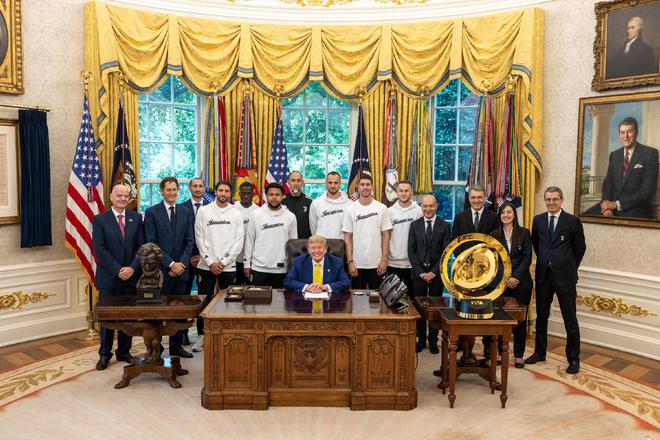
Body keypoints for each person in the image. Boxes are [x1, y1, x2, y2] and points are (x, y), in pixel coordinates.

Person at [525, 186, 586, 375]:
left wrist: (567, 266)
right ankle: (539, 352)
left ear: (561, 200)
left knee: (570, 318)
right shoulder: (538, 220)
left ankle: (573, 359)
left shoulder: (573, 221)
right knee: (542, 317)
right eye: (548, 199)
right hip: (544, 275)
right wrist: (547, 260)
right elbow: (537, 245)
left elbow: (580, 249)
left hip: (565, 277)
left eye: (555, 199)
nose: (551, 203)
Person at [92, 184, 145, 370]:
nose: (122, 198)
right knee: (108, 318)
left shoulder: (136, 218)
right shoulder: (100, 220)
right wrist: (118, 270)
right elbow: (99, 249)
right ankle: (104, 354)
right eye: (119, 195)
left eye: (125, 195)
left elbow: (142, 246)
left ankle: (124, 351)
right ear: (111, 197)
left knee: (127, 317)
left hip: (131, 277)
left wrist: (131, 268)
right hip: (109, 277)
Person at [144, 176, 195, 359]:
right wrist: (171, 264)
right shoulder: (151, 212)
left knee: (179, 312)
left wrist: (181, 264)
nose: (172, 193)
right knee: (159, 311)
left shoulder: (186, 212)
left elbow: (190, 241)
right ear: (162, 191)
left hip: (182, 271)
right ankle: (156, 347)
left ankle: (176, 347)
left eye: (174, 190)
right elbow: (151, 243)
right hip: (161, 272)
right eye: (168, 190)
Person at [191, 180, 245, 352]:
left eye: (226, 191)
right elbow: (199, 238)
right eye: (220, 190)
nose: (223, 194)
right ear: (215, 192)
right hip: (206, 265)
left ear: (230, 193)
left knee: (229, 301)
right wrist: (210, 261)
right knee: (204, 301)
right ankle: (202, 335)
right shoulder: (204, 211)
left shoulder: (236, 213)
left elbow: (239, 241)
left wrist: (223, 262)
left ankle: (225, 335)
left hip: (227, 266)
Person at [451, 185, 498, 360]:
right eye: (473, 197)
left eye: (479, 197)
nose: (476, 200)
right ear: (469, 199)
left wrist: (481, 262)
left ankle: (487, 346)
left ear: (484, 197)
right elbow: (455, 241)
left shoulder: (493, 217)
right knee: (463, 305)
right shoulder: (460, 217)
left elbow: (495, 242)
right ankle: (461, 343)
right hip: (464, 270)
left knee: (485, 307)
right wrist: (467, 261)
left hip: (486, 269)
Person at [490, 202, 533, 368]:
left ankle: (519, 355)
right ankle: (499, 353)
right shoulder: (494, 235)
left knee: (520, 319)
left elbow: (527, 258)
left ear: (514, 214)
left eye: (509, 212)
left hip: (522, 283)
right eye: (503, 212)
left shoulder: (524, 233)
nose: (506, 215)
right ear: (499, 216)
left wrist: (515, 277)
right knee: (500, 319)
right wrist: (506, 278)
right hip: (501, 284)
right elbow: (493, 260)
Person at [408, 194, 451, 353]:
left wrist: (433, 272)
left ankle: (433, 341)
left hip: (436, 275)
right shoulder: (414, 225)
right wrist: (421, 272)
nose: (428, 209)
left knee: (435, 309)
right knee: (419, 308)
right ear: (421, 207)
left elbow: (445, 252)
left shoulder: (444, 225)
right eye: (425, 206)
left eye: (431, 206)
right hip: (418, 275)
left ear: (436, 206)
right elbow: (411, 251)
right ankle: (420, 340)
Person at [599, 117, 659, 219]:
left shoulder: (650, 153)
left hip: (637, 212)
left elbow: (648, 190)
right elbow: (608, 184)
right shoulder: (614, 155)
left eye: (629, 132)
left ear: (636, 133)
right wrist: (606, 207)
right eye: (622, 132)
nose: (625, 136)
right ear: (619, 134)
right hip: (612, 211)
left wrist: (616, 204)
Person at [343, 174, 392, 289]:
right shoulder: (350, 209)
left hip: (377, 264)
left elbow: (386, 236)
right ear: (358, 187)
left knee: (378, 298)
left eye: (368, 184)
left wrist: (384, 260)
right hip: (357, 264)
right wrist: (350, 261)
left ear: (372, 186)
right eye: (362, 184)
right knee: (356, 298)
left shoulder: (382, 208)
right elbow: (347, 238)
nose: (365, 187)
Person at [244, 182, 298, 288]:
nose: (274, 197)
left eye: (277, 195)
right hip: (258, 267)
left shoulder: (290, 216)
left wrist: (292, 266)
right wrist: (246, 264)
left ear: (283, 196)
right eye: (271, 194)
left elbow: (293, 244)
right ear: (266, 196)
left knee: (279, 298)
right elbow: (249, 241)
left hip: (281, 269)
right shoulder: (256, 214)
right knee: (258, 298)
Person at [180, 177, 210, 345]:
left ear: (204, 188)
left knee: (205, 297)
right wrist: (190, 256)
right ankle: (183, 332)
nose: (198, 189)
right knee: (184, 297)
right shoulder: (181, 207)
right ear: (190, 188)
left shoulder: (212, 207)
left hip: (206, 259)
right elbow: (181, 236)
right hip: (186, 259)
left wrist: (202, 255)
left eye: (200, 186)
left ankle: (202, 332)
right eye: (195, 186)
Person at [387, 180, 422, 296]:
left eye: (406, 191)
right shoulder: (389, 211)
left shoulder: (418, 211)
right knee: (392, 298)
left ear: (411, 192)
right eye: (401, 191)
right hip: (393, 262)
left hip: (412, 263)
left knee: (412, 298)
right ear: (396, 192)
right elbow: (386, 236)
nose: (403, 193)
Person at [284, 235, 350, 293]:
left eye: (319, 247)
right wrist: (307, 287)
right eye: (313, 248)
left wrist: (326, 287)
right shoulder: (299, 261)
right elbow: (288, 281)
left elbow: (346, 282)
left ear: (325, 249)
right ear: (308, 249)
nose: (316, 251)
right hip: (304, 300)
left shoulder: (336, 262)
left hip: (329, 300)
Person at [309, 171, 353, 239]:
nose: (333, 186)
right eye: (330, 183)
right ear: (326, 183)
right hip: (322, 244)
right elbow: (313, 227)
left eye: (336, 183)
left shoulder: (350, 204)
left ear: (340, 183)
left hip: (342, 243)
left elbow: (351, 228)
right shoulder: (316, 203)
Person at [234, 181, 259, 285]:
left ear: (253, 194)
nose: (246, 196)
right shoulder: (233, 208)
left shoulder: (258, 211)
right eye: (243, 193)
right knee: (235, 288)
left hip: (252, 258)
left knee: (251, 288)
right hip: (235, 258)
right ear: (239, 194)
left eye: (248, 193)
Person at [282, 171, 312, 239]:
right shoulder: (282, 202)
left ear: (302, 183)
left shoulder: (310, 202)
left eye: (298, 180)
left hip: (304, 241)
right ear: (288, 182)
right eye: (293, 180)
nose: (296, 184)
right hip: (286, 240)